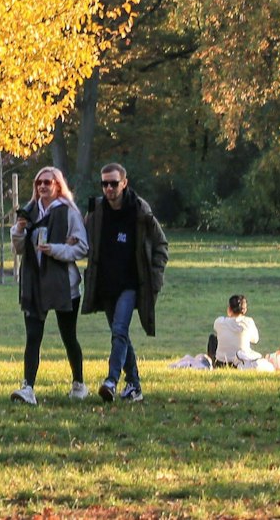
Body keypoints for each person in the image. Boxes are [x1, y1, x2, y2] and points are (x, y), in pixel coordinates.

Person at [81, 161, 170, 402]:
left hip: (132, 283)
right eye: (104, 184)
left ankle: (111, 381)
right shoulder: (97, 211)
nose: (109, 188)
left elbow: (161, 245)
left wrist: (155, 276)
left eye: (113, 183)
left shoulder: (139, 210)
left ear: (124, 183)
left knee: (119, 330)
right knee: (120, 334)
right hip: (106, 284)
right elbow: (83, 241)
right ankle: (134, 385)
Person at [10, 165, 89, 405]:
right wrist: (19, 230)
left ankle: (79, 384)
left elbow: (82, 248)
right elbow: (19, 249)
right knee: (33, 336)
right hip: (33, 283)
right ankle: (28, 388)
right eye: (39, 183)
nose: (43, 186)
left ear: (58, 185)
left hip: (64, 285)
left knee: (69, 337)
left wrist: (56, 249)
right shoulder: (29, 211)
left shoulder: (69, 213)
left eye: (47, 182)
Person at [209, 293, 263, 368]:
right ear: (245, 309)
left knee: (213, 339)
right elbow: (255, 340)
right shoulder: (248, 322)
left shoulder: (219, 322)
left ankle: (213, 364)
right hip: (241, 363)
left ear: (229, 308)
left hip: (221, 363)